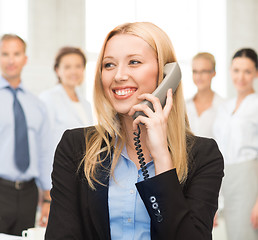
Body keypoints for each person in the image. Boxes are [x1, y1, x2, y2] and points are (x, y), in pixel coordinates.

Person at [45, 22, 224, 240]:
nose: (119, 75)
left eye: (134, 62)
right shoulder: (75, 147)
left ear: (167, 74)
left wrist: (162, 159)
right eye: (109, 65)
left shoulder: (204, 156)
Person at [0, 34, 52, 235]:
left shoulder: (36, 105)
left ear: (25, 59)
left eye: (16, 54)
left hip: (29, 194)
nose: (11, 60)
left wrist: (47, 198)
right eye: (5, 54)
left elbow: (44, 153)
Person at [213, 48, 258, 240]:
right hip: (227, 180)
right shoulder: (225, 107)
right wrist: (213, 200)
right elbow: (218, 152)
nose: (241, 77)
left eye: (247, 71)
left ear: (256, 73)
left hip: (249, 181)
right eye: (236, 70)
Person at [39, 46, 93, 153]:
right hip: (57, 165)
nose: (74, 71)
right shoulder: (48, 99)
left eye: (78, 66)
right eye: (67, 67)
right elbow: (43, 142)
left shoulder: (86, 104)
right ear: (57, 70)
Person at [186, 52, 224, 138]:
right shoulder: (184, 106)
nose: (199, 76)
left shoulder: (224, 107)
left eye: (204, 71)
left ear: (213, 73)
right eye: (195, 71)